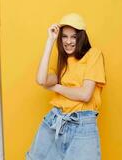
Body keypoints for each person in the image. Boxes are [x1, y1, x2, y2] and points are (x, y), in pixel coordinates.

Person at [25, 13, 106, 160]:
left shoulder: (94, 55)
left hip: (83, 124)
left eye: (73, 36)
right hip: (55, 121)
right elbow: (41, 79)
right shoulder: (61, 63)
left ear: (81, 37)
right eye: (64, 36)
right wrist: (50, 41)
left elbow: (85, 95)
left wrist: (55, 87)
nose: (68, 41)